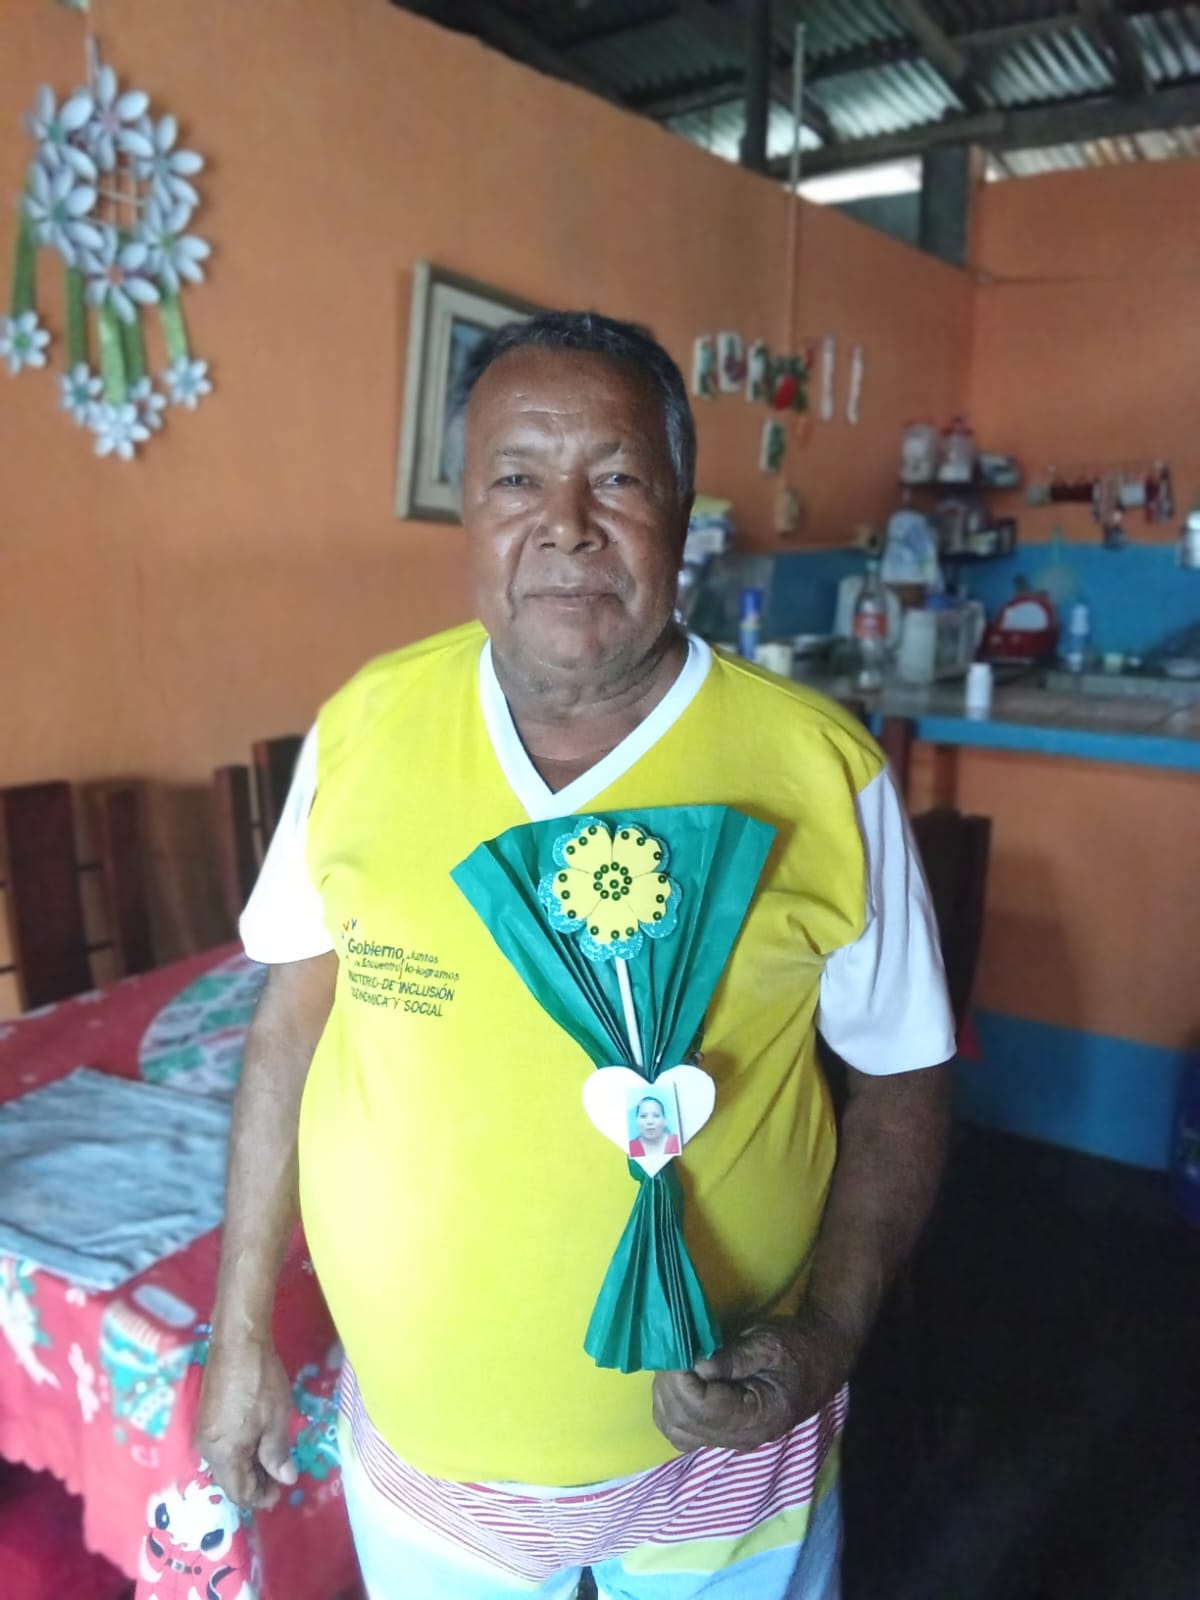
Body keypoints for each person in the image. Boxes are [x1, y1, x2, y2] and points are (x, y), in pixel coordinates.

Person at [198, 311, 955, 1600]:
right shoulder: (366, 729)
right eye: (516, 477)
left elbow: (905, 1075)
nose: (566, 525)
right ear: (465, 511)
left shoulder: (820, 771)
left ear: (681, 512)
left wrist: (827, 1333)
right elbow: (288, 1034)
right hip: (430, 1469)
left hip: (728, 1469)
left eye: (616, 477)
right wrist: (240, 1334)